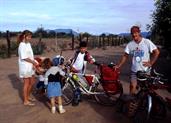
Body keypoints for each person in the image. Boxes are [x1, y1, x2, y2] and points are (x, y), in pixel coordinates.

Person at [115, 26, 160, 95]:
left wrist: (151, 63)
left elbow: (156, 52)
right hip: (134, 71)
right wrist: (119, 65)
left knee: (145, 89)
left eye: (136, 32)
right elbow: (125, 56)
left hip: (145, 70)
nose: (134, 34)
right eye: (132, 33)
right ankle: (131, 101)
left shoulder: (147, 42)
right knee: (132, 86)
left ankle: (143, 102)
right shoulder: (130, 44)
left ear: (139, 32)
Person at [69, 41, 96, 105]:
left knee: (78, 85)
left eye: (84, 48)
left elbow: (91, 59)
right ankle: (78, 97)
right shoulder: (76, 53)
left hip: (80, 72)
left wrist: (92, 60)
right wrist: (69, 64)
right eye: (81, 48)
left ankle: (77, 98)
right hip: (73, 71)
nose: (83, 49)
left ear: (86, 48)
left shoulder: (87, 54)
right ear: (79, 48)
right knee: (75, 85)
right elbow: (71, 59)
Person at [18, 30, 39, 106]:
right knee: (26, 83)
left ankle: (28, 97)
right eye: (29, 37)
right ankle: (25, 101)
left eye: (31, 37)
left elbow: (31, 55)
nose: (30, 38)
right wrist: (33, 62)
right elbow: (24, 58)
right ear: (24, 36)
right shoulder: (21, 45)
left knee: (32, 82)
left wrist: (33, 64)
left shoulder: (28, 44)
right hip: (25, 67)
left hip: (30, 66)